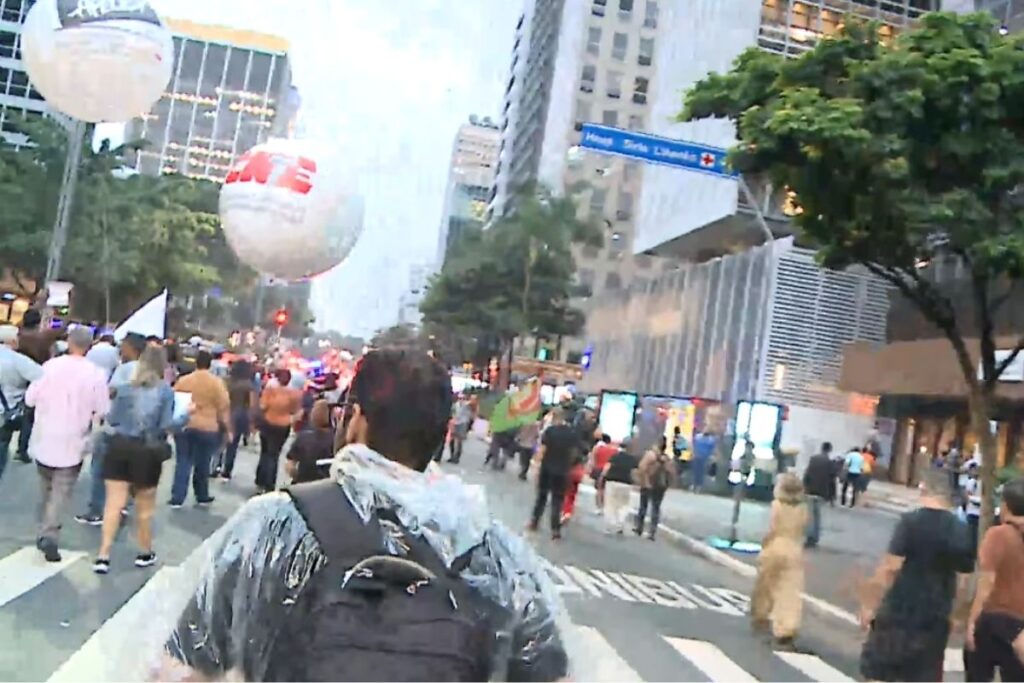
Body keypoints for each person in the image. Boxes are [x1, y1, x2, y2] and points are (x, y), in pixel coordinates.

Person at [160, 349, 569, 682]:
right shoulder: (496, 554)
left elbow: (183, 668)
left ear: (356, 420)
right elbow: (549, 672)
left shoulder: (273, 524)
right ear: (442, 433)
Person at [859, 467, 974, 682]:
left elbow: (891, 567)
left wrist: (870, 605)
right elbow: (963, 579)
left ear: (924, 489)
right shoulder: (961, 529)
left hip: (900, 609)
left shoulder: (910, 522)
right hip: (936, 613)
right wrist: (955, 615)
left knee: (880, 671)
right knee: (924, 673)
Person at [93, 346, 182, 574]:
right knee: (144, 507)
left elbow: (112, 418)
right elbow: (165, 426)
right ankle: (144, 551)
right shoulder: (165, 392)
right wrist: (186, 416)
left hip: (119, 447)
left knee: (113, 504)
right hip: (146, 452)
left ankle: (103, 555)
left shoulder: (124, 389)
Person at [25, 327, 110, 562]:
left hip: (44, 436)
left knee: (46, 486)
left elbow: (30, 399)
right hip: (74, 439)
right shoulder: (96, 374)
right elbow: (103, 408)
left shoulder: (49, 367)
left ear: (69, 342)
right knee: (61, 490)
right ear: (89, 346)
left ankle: (43, 528)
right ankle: (49, 532)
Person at [77, 333, 147, 525]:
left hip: (114, 429)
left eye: (123, 346)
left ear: (132, 348)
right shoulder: (149, 371)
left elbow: (112, 394)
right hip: (137, 431)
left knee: (100, 470)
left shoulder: (125, 370)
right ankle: (121, 506)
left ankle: (96, 510)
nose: (120, 349)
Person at [965, 477, 1024, 682]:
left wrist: (972, 621)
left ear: (1005, 506)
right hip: (1020, 625)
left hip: (993, 618)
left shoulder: (998, 535)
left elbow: (986, 583)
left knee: (978, 675)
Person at [751, 473, 808, 650]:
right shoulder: (803, 509)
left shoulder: (776, 505)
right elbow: (804, 529)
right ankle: (786, 627)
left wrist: (764, 544)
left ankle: (761, 615)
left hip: (775, 546)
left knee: (765, 585)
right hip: (794, 548)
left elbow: (772, 528)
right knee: (788, 591)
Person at [171, 350, 230, 508]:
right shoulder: (217, 383)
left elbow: (174, 400)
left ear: (196, 363)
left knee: (183, 462)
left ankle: (177, 497)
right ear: (209, 364)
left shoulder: (184, 380)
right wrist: (227, 428)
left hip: (186, 424)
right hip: (208, 427)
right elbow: (223, 406)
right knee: (203, 463)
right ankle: (201, 495)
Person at [15, 309, 59, 464]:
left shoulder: (17, 335)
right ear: (39, 321)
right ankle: (21, 449)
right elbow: (51, 356)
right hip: (35, 378)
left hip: (15, 374)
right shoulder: (44, 338)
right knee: (28, 415)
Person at [527, 408, 577, 540]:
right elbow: (573, 453)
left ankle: (534, 522)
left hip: (547, 468)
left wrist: (536, 465)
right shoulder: (572, 433)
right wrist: (567, 465)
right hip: (563, 471)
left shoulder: (550, 431)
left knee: (541, 497)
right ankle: (555, 530)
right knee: (557, 500)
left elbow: (542, 450)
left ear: (555, 417)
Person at [0, 325, 42, 482]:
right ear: (12, 340)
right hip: (6, 411)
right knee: (2, 445)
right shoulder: (18, 360)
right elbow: (41, 377)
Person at [255, 368, 301, 493]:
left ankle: (260, 479)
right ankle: (270, 484)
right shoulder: (294, 394)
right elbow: (296, 411)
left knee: (264, 452)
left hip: (267, 423)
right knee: (274, 455)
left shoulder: (270, 391)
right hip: (283, 426)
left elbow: (263, 406)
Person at [216, 360, 257, 480]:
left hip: (225, 412)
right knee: (232, 445)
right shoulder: (249, 385)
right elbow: (252, 405)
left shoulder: (226, 381)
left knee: (219, 441)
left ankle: (216, 465)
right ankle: (227, 471)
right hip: (240, 415)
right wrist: (252, 422)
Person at [635, 436, 677, 540]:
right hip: (660, 485)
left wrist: (643, 481)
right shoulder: (667, 459)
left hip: (648, 483)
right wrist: (668, 484)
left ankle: (639, 528)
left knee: (643, 506)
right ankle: (652, 532)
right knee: (656, 508)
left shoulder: (650, 455)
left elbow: (642, 467)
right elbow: (672, 473)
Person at [285, 399, 335, 485]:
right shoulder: (335, 439)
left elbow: (290, 465)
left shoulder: (303, 437)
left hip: (303, 483)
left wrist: (296, 475)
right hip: (326, 485)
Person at [803, 441, 836, 548]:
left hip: (810, 490)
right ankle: (815, 537)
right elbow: (832, 480)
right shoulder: (830, 463)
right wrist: (832, 497)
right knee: (817, 516)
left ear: (821, 448)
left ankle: (809, 536)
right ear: (829, 450)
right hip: (822, 492)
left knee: (810, 515)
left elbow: (807, 474)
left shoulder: (813, 459)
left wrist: (804, 488)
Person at [601, 441, 638, 535]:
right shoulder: (632, 459)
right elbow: (634, 473)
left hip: (612, 482)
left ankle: (609, 526)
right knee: (624, 505)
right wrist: (636, 483)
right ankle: (620, 524)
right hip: (626, 483)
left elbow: (606, 468)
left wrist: (602, 477)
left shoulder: (614, 457)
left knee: (610, 504)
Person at [588, 434, 617, 513]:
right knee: (605, 489)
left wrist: (591, 469)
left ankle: (599, 507)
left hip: (598, 469)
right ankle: (605, 506)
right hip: (609, 470)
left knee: (599, 489)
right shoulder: (613, 450)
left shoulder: (597, 448)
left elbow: (592, 460)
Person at [447, 395, 476, 464]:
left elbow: (473, 405)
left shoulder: (467, 405)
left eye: (463, 398)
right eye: (460, 398)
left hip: (462, 423)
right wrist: (451, 420)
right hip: (455, 423)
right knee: (452, 440)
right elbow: (452, 412)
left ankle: (457, 457)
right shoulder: (455, 405)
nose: (461, 400)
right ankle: (452, 455)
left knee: (459, 441)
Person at [691, 428, 717, 492]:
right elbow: (695, 445)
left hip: (704, 458)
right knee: (696, 471)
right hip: (698, 456)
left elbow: (712, 449)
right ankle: (695, 485)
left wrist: (711, 456)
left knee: (700, 472)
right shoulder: (699, 437)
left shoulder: (710, 440)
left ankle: (698, 486)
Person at [515, 416, 541, 480]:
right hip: (531, 445)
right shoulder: (536, 425)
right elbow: (537, 435)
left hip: (523, 444)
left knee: (523, 459)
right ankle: (524, 472)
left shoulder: (524, 423)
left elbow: (520, 433)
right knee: (528, 460)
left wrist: (518, 438)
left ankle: (523, 470)